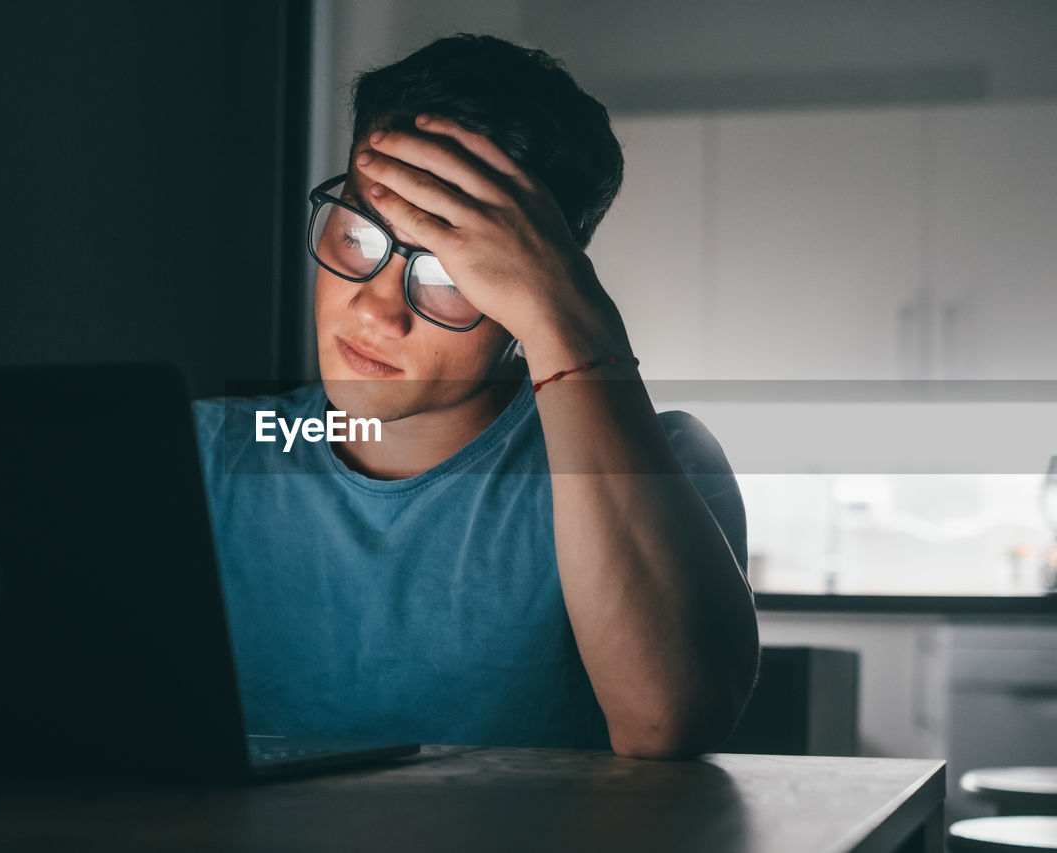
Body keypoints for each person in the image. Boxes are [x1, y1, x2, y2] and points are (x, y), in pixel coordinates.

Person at [194, 34, 758, 759]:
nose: (377, 311)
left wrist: (572, 321)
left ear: (531, 287)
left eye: (447, 276)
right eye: (359, 237)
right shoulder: (200, 459)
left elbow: (668, 722)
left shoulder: (663, 466)